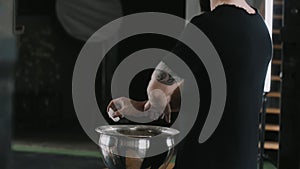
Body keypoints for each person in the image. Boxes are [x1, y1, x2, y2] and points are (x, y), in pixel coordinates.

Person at [107, 0, 272, 168]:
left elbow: (158, 87)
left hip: (204, 160)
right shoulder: (259, 29)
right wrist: (140, 106)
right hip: (244, 161)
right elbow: (200, 95)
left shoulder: (208, 26)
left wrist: (155, 98)